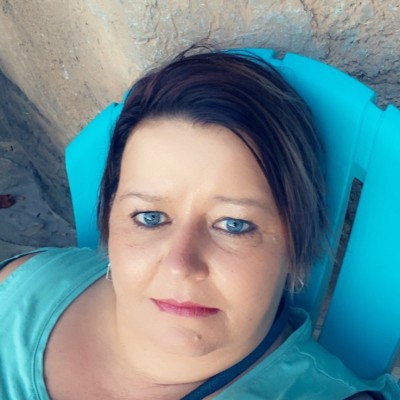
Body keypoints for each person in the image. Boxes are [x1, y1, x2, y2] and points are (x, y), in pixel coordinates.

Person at [1, 45, 399, 400]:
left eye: (234, 225)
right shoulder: (19, 286)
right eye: (150, 217)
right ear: (110, 219)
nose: (180, 264)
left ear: (295, 242)